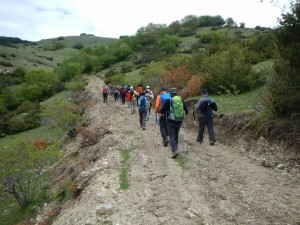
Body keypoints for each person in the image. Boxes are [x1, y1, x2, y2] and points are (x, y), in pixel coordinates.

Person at [159, 88, 188, 159]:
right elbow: (186, 111)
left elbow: (162, 111)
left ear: (170, 94)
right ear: (176, 93)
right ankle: (176, 148)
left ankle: (175, 150)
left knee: (171, 136)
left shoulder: (169, 100)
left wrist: (161, 110)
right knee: (176, 135)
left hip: (170, 121)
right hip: (179, 121)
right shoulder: (181, 100)